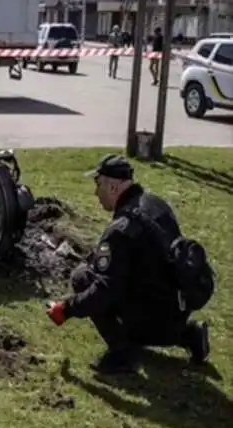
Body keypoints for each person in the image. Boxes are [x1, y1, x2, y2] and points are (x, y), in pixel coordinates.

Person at [45, 154, 210, 374]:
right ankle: (190, 334)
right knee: (134, 289)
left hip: (152, 316)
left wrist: (66, 309)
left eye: (99, 184)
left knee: (82, 277)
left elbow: (105, 289)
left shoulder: (121, 229)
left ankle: (122, 355)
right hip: (177, 309)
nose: (96, 192)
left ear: (113, 187)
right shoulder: (155, 203)